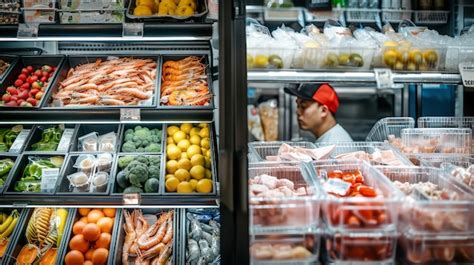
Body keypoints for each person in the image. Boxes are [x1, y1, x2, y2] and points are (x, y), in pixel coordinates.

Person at [284, 83, 353, 143]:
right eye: (298, 106)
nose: (298, 112)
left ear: (323, 111)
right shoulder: (329, 138)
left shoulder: (333, 144)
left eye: (303, 106)